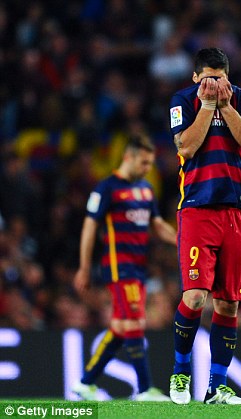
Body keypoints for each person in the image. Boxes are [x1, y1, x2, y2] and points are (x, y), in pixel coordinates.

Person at [167, 47, 241, 405]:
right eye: (208, 78)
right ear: (195, 78)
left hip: (235, 213)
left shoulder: (238, 98)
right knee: (194, 296)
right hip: (196, 209)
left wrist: (225, 106)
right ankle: (180, 373)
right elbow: (186, 147)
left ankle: (216, 388)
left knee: (228, 304)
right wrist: (208, 107)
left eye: (220, 78)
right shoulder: (183, 100)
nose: (215, 84)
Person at [72, 135, 176, 401]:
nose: (147, 168)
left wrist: (182, 240)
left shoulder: (146, 190)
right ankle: (144, 389)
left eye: (150, 163)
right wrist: (84, 267)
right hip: (119, 267)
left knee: (121, 326)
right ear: (127, 157)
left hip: (139, 268)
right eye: (143, 162)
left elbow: (158, 225)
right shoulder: (106, 188)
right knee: (135, 322)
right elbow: (89, 227)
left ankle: (85, 383)